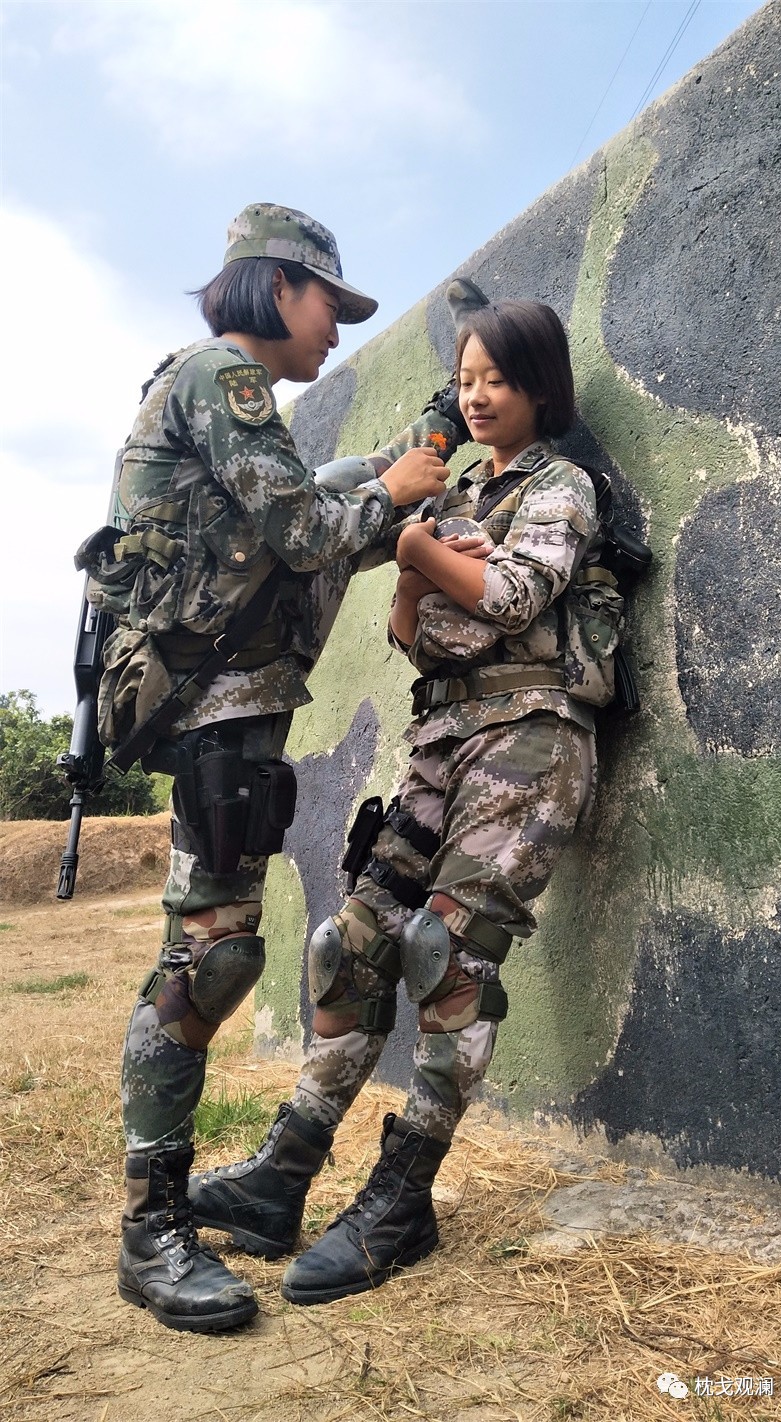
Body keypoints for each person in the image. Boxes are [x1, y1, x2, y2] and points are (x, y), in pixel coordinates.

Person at [189, 286, 624, 1306]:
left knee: (445, 956)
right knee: (350, 947)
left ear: (537, 387)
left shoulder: (559, 487)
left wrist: (419, 552)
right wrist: (427, 564)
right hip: (440, 739)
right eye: (465, 379)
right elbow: (410, 632)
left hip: (525, 741)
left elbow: (512, 599)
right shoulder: (460, 497)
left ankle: (400, 1195)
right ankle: (282, 1174)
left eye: (496, 379)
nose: (474, 397)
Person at [78, 202, 467, 1334]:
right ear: (273, 287)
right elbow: (307, 534)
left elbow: (314, 496)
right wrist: (396, 497)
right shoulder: (227, 380)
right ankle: (150, 1234)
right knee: (204, 962)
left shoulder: (224, 397)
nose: (336, 329)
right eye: (327, 304)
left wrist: (414, 448)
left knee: (213, 955)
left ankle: (185, 1212)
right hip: (213, 711)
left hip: (225, 707)